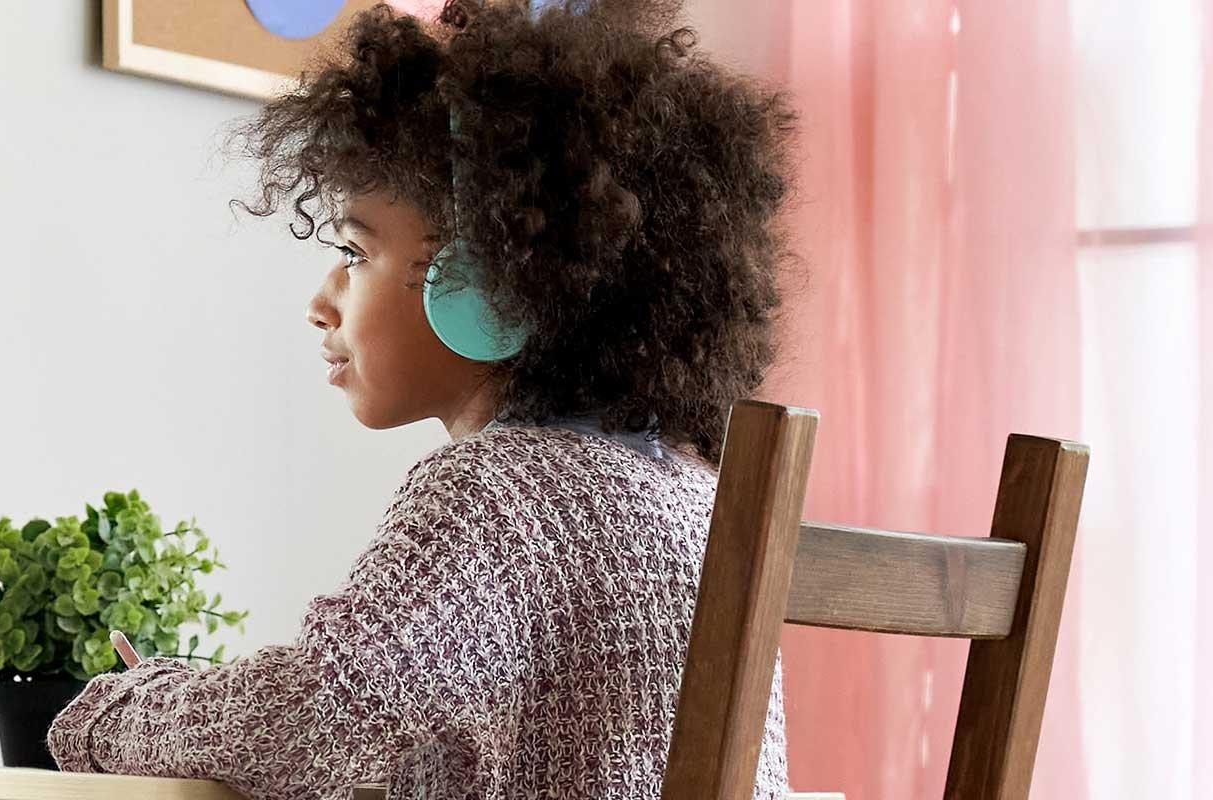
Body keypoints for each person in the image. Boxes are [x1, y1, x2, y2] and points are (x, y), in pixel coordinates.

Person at [43, 2, 795, 798]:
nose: (320, 301)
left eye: (353, 251)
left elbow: (313, 718)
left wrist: (120, 710)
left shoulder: (503, 491)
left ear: (485, 289)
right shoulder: (693, 494)